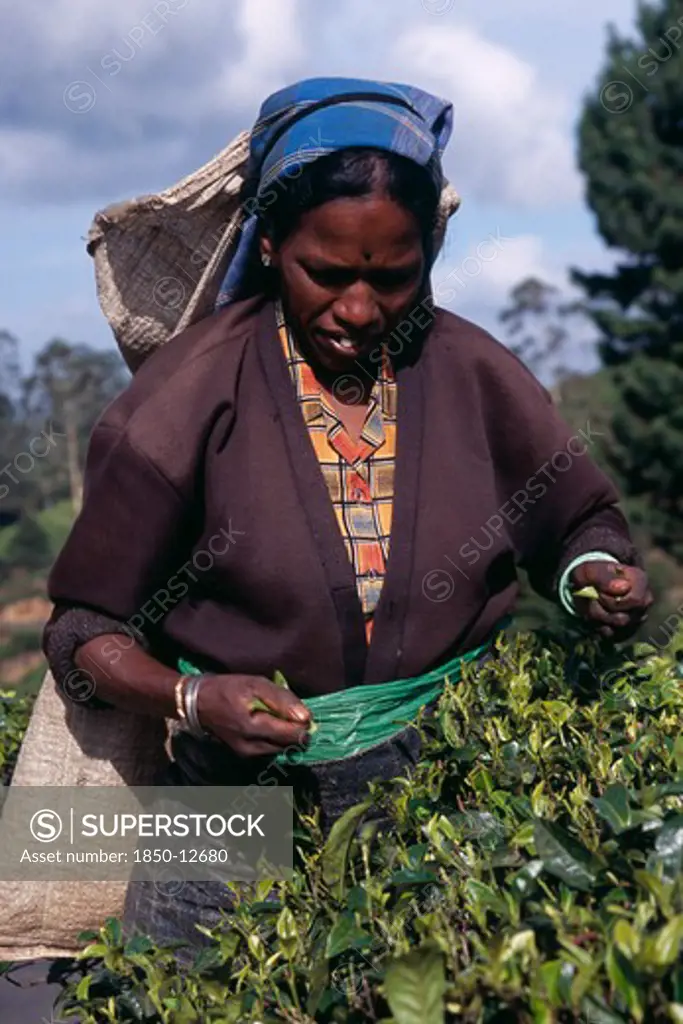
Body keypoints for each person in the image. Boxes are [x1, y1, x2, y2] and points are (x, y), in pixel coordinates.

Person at [42, 77, 652, 951]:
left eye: (392, 278)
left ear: (427, 259)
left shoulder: (474, 375)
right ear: (269, 244)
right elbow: (83, 633)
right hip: (226, 808)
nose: (358, 310)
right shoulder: (182, 403)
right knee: (204, 994)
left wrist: (592, 575)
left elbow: (578, 522)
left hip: (444, 794)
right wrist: (191, 693)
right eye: (325, 274)